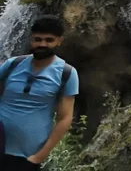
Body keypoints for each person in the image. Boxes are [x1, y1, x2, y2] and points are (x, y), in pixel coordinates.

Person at [0, 15, 79, 170]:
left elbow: (65, 118)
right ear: (31, 39)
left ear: (59, 41)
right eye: (38, 39)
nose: (42, 44)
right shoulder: (12, 64)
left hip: (28, 157)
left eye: (49, 40)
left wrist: (38, 157)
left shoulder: (66, 73)